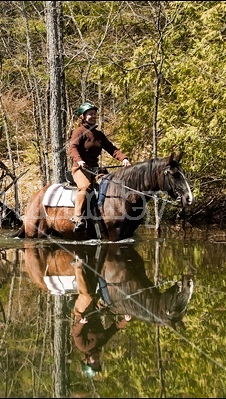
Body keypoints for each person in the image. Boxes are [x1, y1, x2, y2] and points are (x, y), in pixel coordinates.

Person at [68, 102, 132, 232]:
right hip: (80, 168)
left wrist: (123, 158)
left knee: (111, 186)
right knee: (85, 187)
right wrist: (79, 161)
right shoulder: (79, 131)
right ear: (83, 116)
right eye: (90, 114)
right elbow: (72, 148)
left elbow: (112, 149)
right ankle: (77, 217)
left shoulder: (99, 135)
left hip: (95, 169)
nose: (93, 116)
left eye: (94, 114)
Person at [71, 257, 131, 377]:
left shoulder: (83, 346)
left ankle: (77, 267)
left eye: (94, 363)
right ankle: (104, 268)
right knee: (112, 300)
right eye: (98, 362)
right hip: (97, 310)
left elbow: (75, 333)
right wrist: (125, 321)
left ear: (87, 361)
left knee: (87, 297)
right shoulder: (102, 342)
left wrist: (82, 322)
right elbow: (114, 328)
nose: (97, 360)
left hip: (83, 313)